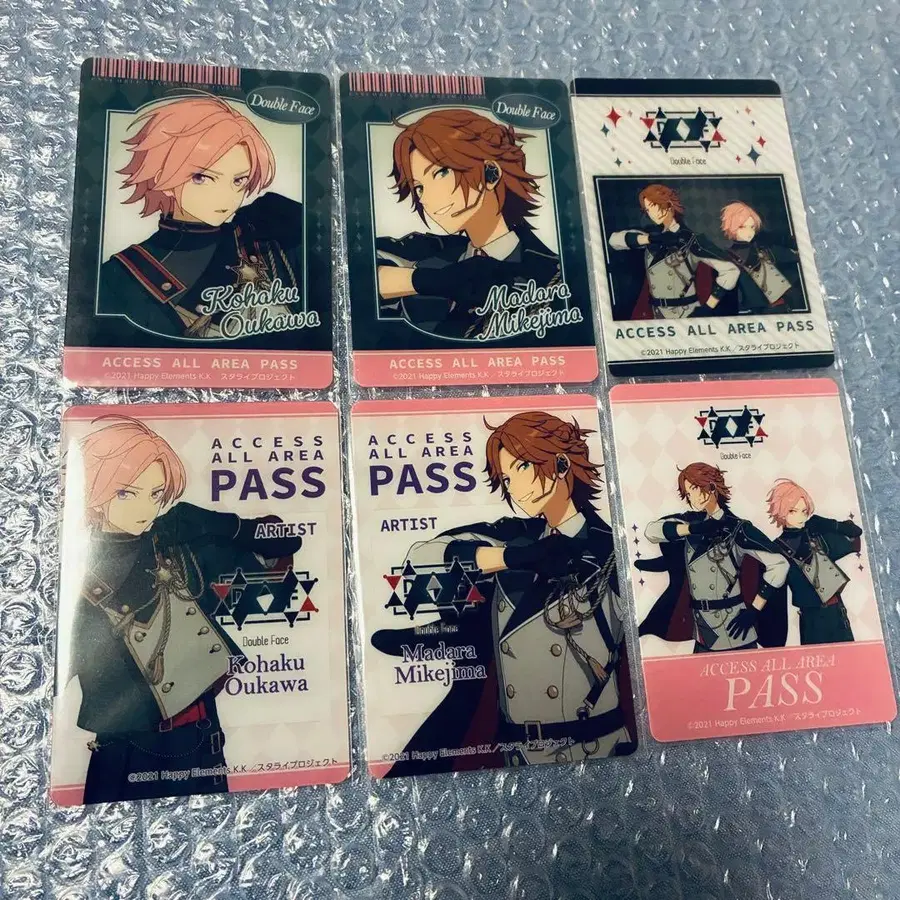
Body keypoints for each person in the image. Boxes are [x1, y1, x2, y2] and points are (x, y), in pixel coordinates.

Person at [372, 411, 635, 773]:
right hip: (515, 756)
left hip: (595, 751)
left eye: (522, 468)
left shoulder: (611, 547)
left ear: (561, 465)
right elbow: (421, 559)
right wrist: (514, 557)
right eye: (507, 478)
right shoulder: (513, 535)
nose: (513, 487)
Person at [65, 416, 301, 802]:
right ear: (94, 489)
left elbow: (282, 544)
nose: (144, 508)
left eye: (155, 494)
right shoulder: (71, 572)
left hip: (198, 740)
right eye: (126, 493)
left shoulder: (180, 544)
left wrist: (226, 526)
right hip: (122, 754)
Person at [99, 96, 304, 338]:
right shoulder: (119, 276)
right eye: (202, 177)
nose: (226, 197)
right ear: (161, 176)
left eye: (239, 180)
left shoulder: (268, 224)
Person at [375, 109, 561, 339]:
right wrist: (438, 280)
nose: (426, 198)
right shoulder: (433, 251)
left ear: (491, 173)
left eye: (441, 173)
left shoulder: (552, 272)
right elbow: (357, 267)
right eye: (419, 187)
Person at [637, 462, 789, 652]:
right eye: (688, 493)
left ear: (712, 486)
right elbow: (651, 531)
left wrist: (754, 610)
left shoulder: (737, 527)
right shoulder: (689, 522)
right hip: (702, 628)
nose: (692, 497)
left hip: (734, 627)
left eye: (695, 488)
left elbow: (779, 564)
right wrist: (692, 529)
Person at [608, 184, 739, 319]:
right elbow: (614, 241)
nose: (652, 213)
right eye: (647, 210)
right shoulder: (649, 236)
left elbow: (731, 270)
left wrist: (708, 307)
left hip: (684, 312)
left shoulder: (690, 239)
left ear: (669, 203)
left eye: (654, 205)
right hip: (656, 312)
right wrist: (650, 239)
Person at [765, 479, 861, 644]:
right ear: (781, 511)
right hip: (811, 620)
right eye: (793, 511)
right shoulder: (776, 549)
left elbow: (855, 534)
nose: (801, 517)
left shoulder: (816, 536)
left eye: (804, 511)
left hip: (836, 612)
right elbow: (772, 592)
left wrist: (827, 523)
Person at [719, 201, 802, 314]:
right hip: (756, 310)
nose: (749, 232)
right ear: (731, 227)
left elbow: (790, 256)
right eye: (742, 227)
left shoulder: (764, 247)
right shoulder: (728, 257)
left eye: (752, 227)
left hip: (782, 305)